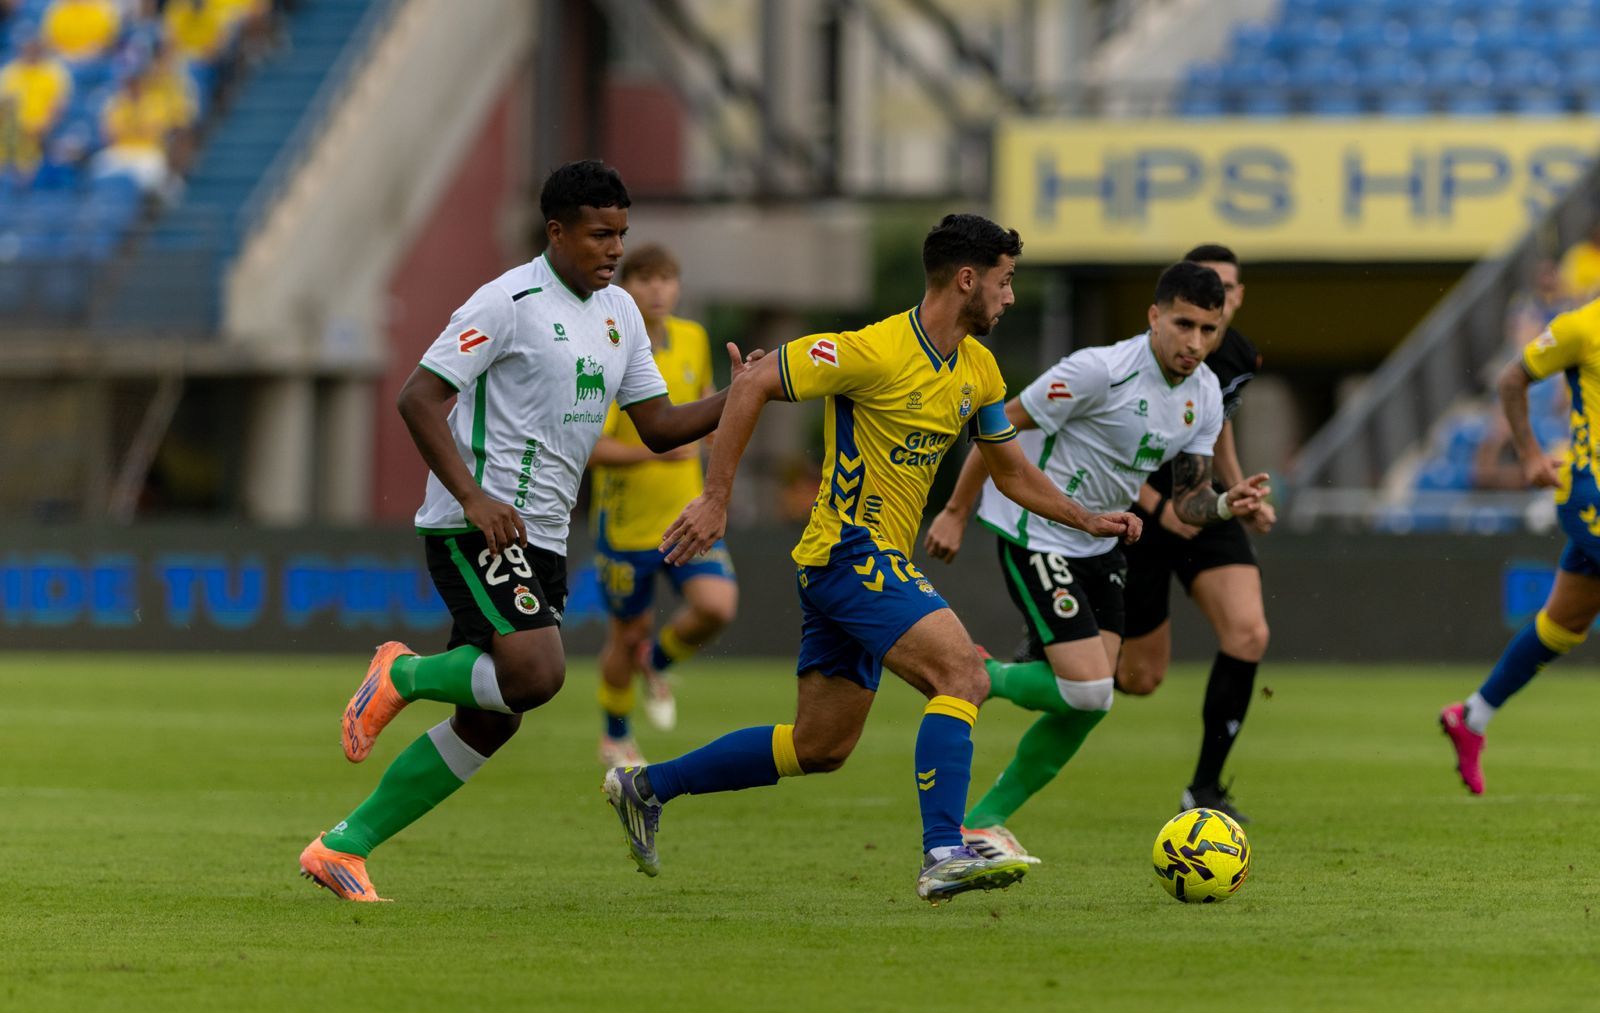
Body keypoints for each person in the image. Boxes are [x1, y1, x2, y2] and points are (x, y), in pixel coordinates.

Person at [602, 214, 1143, 904]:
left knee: (818, 747)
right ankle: (944, 850)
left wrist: (1085, 517)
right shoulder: (872, 350)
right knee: (962, 674)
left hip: (864, 562)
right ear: (968, 279)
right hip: (847, 551)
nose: (1010, 296)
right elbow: (755, 381)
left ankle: (647, 786)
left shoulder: (978, 369)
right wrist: (715, 498)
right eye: (1005, 281)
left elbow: (1010, 471)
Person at [298, 161, 754, 901]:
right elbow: (418, 398)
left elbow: (660, 426)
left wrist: (743, 394)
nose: (615, 249)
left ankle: (343, 847)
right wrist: (472, 497)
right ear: (556, 231)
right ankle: (401, 674)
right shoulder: (508, 301)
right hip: (475, 525)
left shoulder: (621, 313)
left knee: (492, 721)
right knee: (536, 675)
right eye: (600, 234)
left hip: (542, 536)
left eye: (622, 234)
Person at [922, 261, 1269, 863]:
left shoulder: (1206, 394)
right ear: (1154, 316)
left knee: (1094, 698)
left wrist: (1223, 504)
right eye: (1183, 324)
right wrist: (955, 509)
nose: (1195, 342)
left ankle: (981, 821)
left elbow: (1187, 500)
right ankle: (983, 678)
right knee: (1086, 688)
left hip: (1100, 541)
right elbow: (997, 424)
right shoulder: (1098, 371)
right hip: (1036, 532)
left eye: (1208, 330)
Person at [1113, 244, 1272, 824]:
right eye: (1206, 289)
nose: (1217, 299)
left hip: (1199, 501)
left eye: (1225, 289)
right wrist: (1159, 508)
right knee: (1140, 679)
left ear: (1236, 297)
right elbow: (1103, 450)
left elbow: (1216, 426)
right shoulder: (1131, 363)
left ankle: (1204, 788)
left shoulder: (1238, 356)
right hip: (1135, 510)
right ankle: (1062, 646)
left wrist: (1237, 495)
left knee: (1249, 633)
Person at [1440, 298, 1600, 795]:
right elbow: (1512, 379)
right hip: (1592, 493)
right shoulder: (1582, 327)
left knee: (1565, 622)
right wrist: (1530, 454)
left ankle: (1472, 715)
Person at [589, 243, 737, 767]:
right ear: (624, 289)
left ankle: (657, 661)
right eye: (645, 279)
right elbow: (590, 446)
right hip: (626, 526)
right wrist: (653, 449)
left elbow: (705, 396)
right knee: (625, 635)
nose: (657, 289)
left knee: (717, 606)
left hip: (686, 515)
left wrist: (719, 430)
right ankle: (615, 735)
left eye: (666, 278)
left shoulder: (693, 337)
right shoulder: (607, 349)